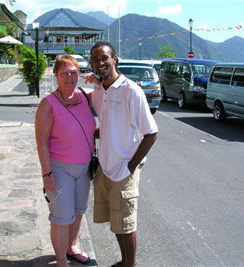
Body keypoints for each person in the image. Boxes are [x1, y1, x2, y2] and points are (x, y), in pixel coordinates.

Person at [84, 42, 158, 267]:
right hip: (106, 168)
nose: (100, 63)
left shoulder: (131, 91)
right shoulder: (100, 92)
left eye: (104, 58)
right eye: (96, 59)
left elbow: (151, 133)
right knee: (116, 222)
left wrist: (130, 167)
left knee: (125, 224)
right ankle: (125, 262)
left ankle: (130, 265)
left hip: (124, 168)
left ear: (114, 59)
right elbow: (107, 126)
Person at [35, 55, 95, 267]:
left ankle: (72, 247)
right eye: (64, 73)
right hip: (59, 170)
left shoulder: (84, 96)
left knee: (79, 211)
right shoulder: (48, 104)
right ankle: (61, 260)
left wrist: (98, 82)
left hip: (84, 168)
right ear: (56, 76)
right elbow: (41, 142)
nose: (70, 77)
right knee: (61, 217)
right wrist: (47, 174)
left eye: (73, 72)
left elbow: (109, 95)